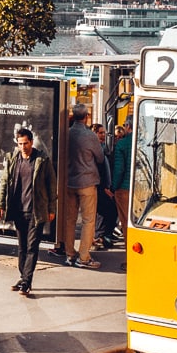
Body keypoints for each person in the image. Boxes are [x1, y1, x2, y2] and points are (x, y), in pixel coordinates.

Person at [0, 127, 57, 297]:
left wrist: (52, 209)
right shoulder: (13, 159)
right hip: (18, 210)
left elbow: (52, 187)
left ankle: (26, 281)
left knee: (32, 247)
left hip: (35, 211)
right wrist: (0, 204)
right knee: (22, 247)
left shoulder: (42, 160)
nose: (23, 147)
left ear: (31, 142)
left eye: (26, 143)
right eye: (20, 144)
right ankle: (23, 277)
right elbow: (4, 183)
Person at [61, 104, 104, 269]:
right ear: (86, 117)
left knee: (70, 220)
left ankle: (69, 254)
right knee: (88, 220)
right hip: (86, 182)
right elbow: (100, 158)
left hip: (69, 181)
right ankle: (84, 257)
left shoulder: (67, 134)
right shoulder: (89, 136)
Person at [109, 120, 133, 268]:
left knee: (127, 225)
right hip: (143, 189)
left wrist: (113, 187)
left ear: (127, 127)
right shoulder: (145, 140)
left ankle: (131, 258)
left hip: (124, 188)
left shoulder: (122, 145)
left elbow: (119, 169)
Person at [91, 123, 118, 248]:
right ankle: (99, 237)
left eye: (104, 133)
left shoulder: (103, 147)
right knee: (103, 211)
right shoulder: (94, 149)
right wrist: (104, 188)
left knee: (110, 210)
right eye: (100, 133)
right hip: (98, 186)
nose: (103, 135)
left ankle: (104, 235)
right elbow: (97, 170)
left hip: (105, 185)